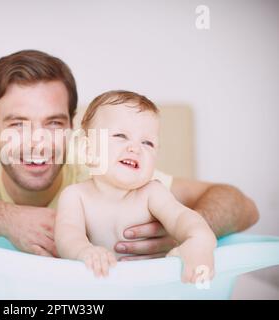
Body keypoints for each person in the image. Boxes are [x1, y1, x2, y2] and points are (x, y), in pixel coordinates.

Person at [0, 50, 258, 260]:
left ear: (74, 128)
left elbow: (241, 205)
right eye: (16, 124)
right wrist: (6, 218)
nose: (38, 142)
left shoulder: (101, 166)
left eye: (53, 123)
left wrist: (184, 232)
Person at [55, 90, 216, 283]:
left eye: (147, 142)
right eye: (121, 135)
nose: (135, 148)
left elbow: (182, 217)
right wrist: (84, 251)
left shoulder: (152, 193)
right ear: (88, 150)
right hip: (98, 286)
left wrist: (199, 240)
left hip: (148, 287)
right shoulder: (76, 196)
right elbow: (67, 235)